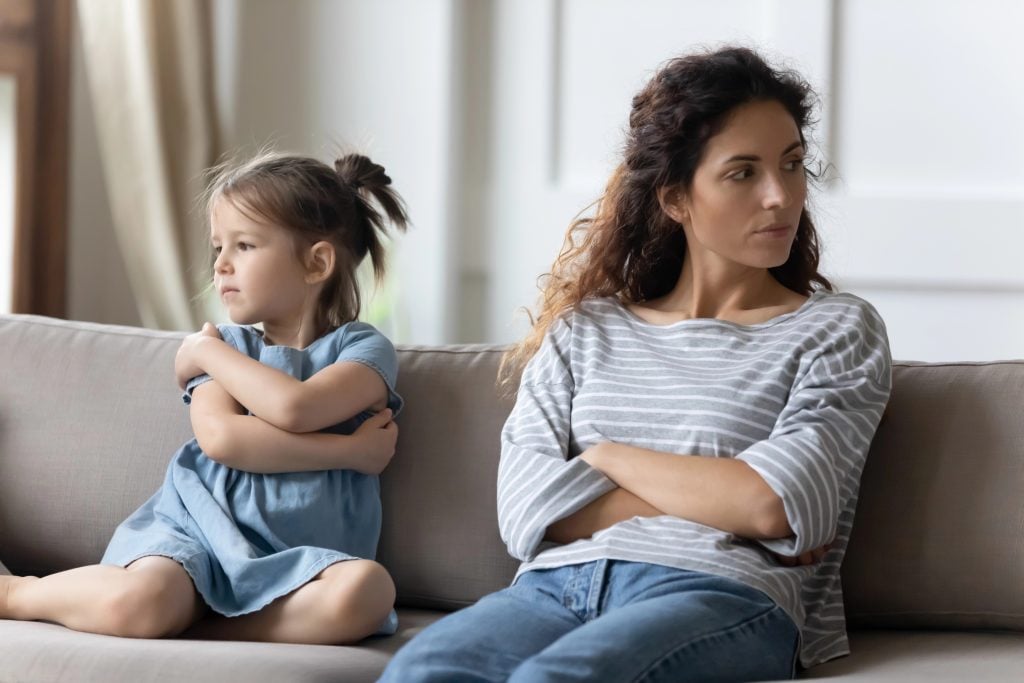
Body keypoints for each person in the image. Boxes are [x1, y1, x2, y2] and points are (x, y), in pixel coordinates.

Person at [381, 46, 892, 681]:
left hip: (720, 593)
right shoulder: (583, 331)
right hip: (548, 591)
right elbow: (523, 512)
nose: (780, 196)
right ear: (676, 198)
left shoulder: (835, 329)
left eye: (792, 165)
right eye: (743, 172)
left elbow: (778, 508)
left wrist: (603, 459)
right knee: (420, 672)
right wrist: (716, 494)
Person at [0, 152, 409, 645]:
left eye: (244, 245)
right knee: (139, 603)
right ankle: (15, 593)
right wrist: (346, 452)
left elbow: (296, 408)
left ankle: (206, 624)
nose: (220, 265)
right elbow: (222, 438)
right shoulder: (228, 346)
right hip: (195, 538)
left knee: (368, 590)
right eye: (218, 247)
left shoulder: (362, 349)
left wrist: (202, 353)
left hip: (304, 562)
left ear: (316, 261)